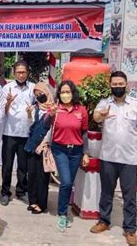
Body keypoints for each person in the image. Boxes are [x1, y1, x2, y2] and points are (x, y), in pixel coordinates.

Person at [90, 71, 137, 246]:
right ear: (110, 86)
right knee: (106, 192)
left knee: (129, 196)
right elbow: (95, 117)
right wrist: (101, 115)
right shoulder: (104, 103)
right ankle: (104, 221)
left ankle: (130, 229)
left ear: (126, 84)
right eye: (114, 84)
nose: (117, 87)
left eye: (120, 84)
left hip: (129, 158)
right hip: (108, 156)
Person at [48, 80, 89, 232]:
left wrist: (85, 153)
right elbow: (46, 125)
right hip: (60, 149)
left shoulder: (81, 110)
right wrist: (50, 115)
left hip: (76, 151)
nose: (65, 95)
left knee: (69, 183)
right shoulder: (55, 109)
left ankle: (64, 208)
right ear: (59, 94)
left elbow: (84, 133)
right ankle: (62, 214)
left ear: (73, 93)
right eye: (63, 92)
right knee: (65, 181)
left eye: (68, 92)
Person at [1, 60, 35, 206]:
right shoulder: (7, 88)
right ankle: (5, 192)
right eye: (18, 72)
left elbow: (38, 107)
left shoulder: (33, 88)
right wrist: (8, 103)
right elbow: (2, 111)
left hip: (26, 132)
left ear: (27, 73)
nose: (21, 75)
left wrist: (30, 111)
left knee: (23, 166)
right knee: (7, 165)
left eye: (24, 72)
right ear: (14, 73)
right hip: (9, 132)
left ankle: (21, 191)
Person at [23, 82, 54, 214]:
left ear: (47, 92)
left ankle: (41, 203)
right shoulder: (35, 107)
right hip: (32, 144)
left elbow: (52, 128)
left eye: (41, 93)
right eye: (36, 94)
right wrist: (29, 114)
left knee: (42, 176)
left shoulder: (52, 109)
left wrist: (44, 143)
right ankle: (32, 201)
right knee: (32, 174)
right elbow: (30, 125)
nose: (39, 96)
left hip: (44, 146)